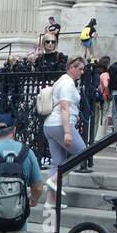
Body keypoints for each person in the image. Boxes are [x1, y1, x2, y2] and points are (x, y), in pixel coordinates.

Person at [42, 57, 86, 217]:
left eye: (82, 69)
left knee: (57, 162)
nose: (82, 72)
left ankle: (50, 201)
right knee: (82, 153)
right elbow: (65, 108)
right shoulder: (67, 83)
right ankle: (54, 180)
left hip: (50, 126)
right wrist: (67, 132)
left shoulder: (61, 81)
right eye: (79, 69)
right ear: (71, 67)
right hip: (60, 125)